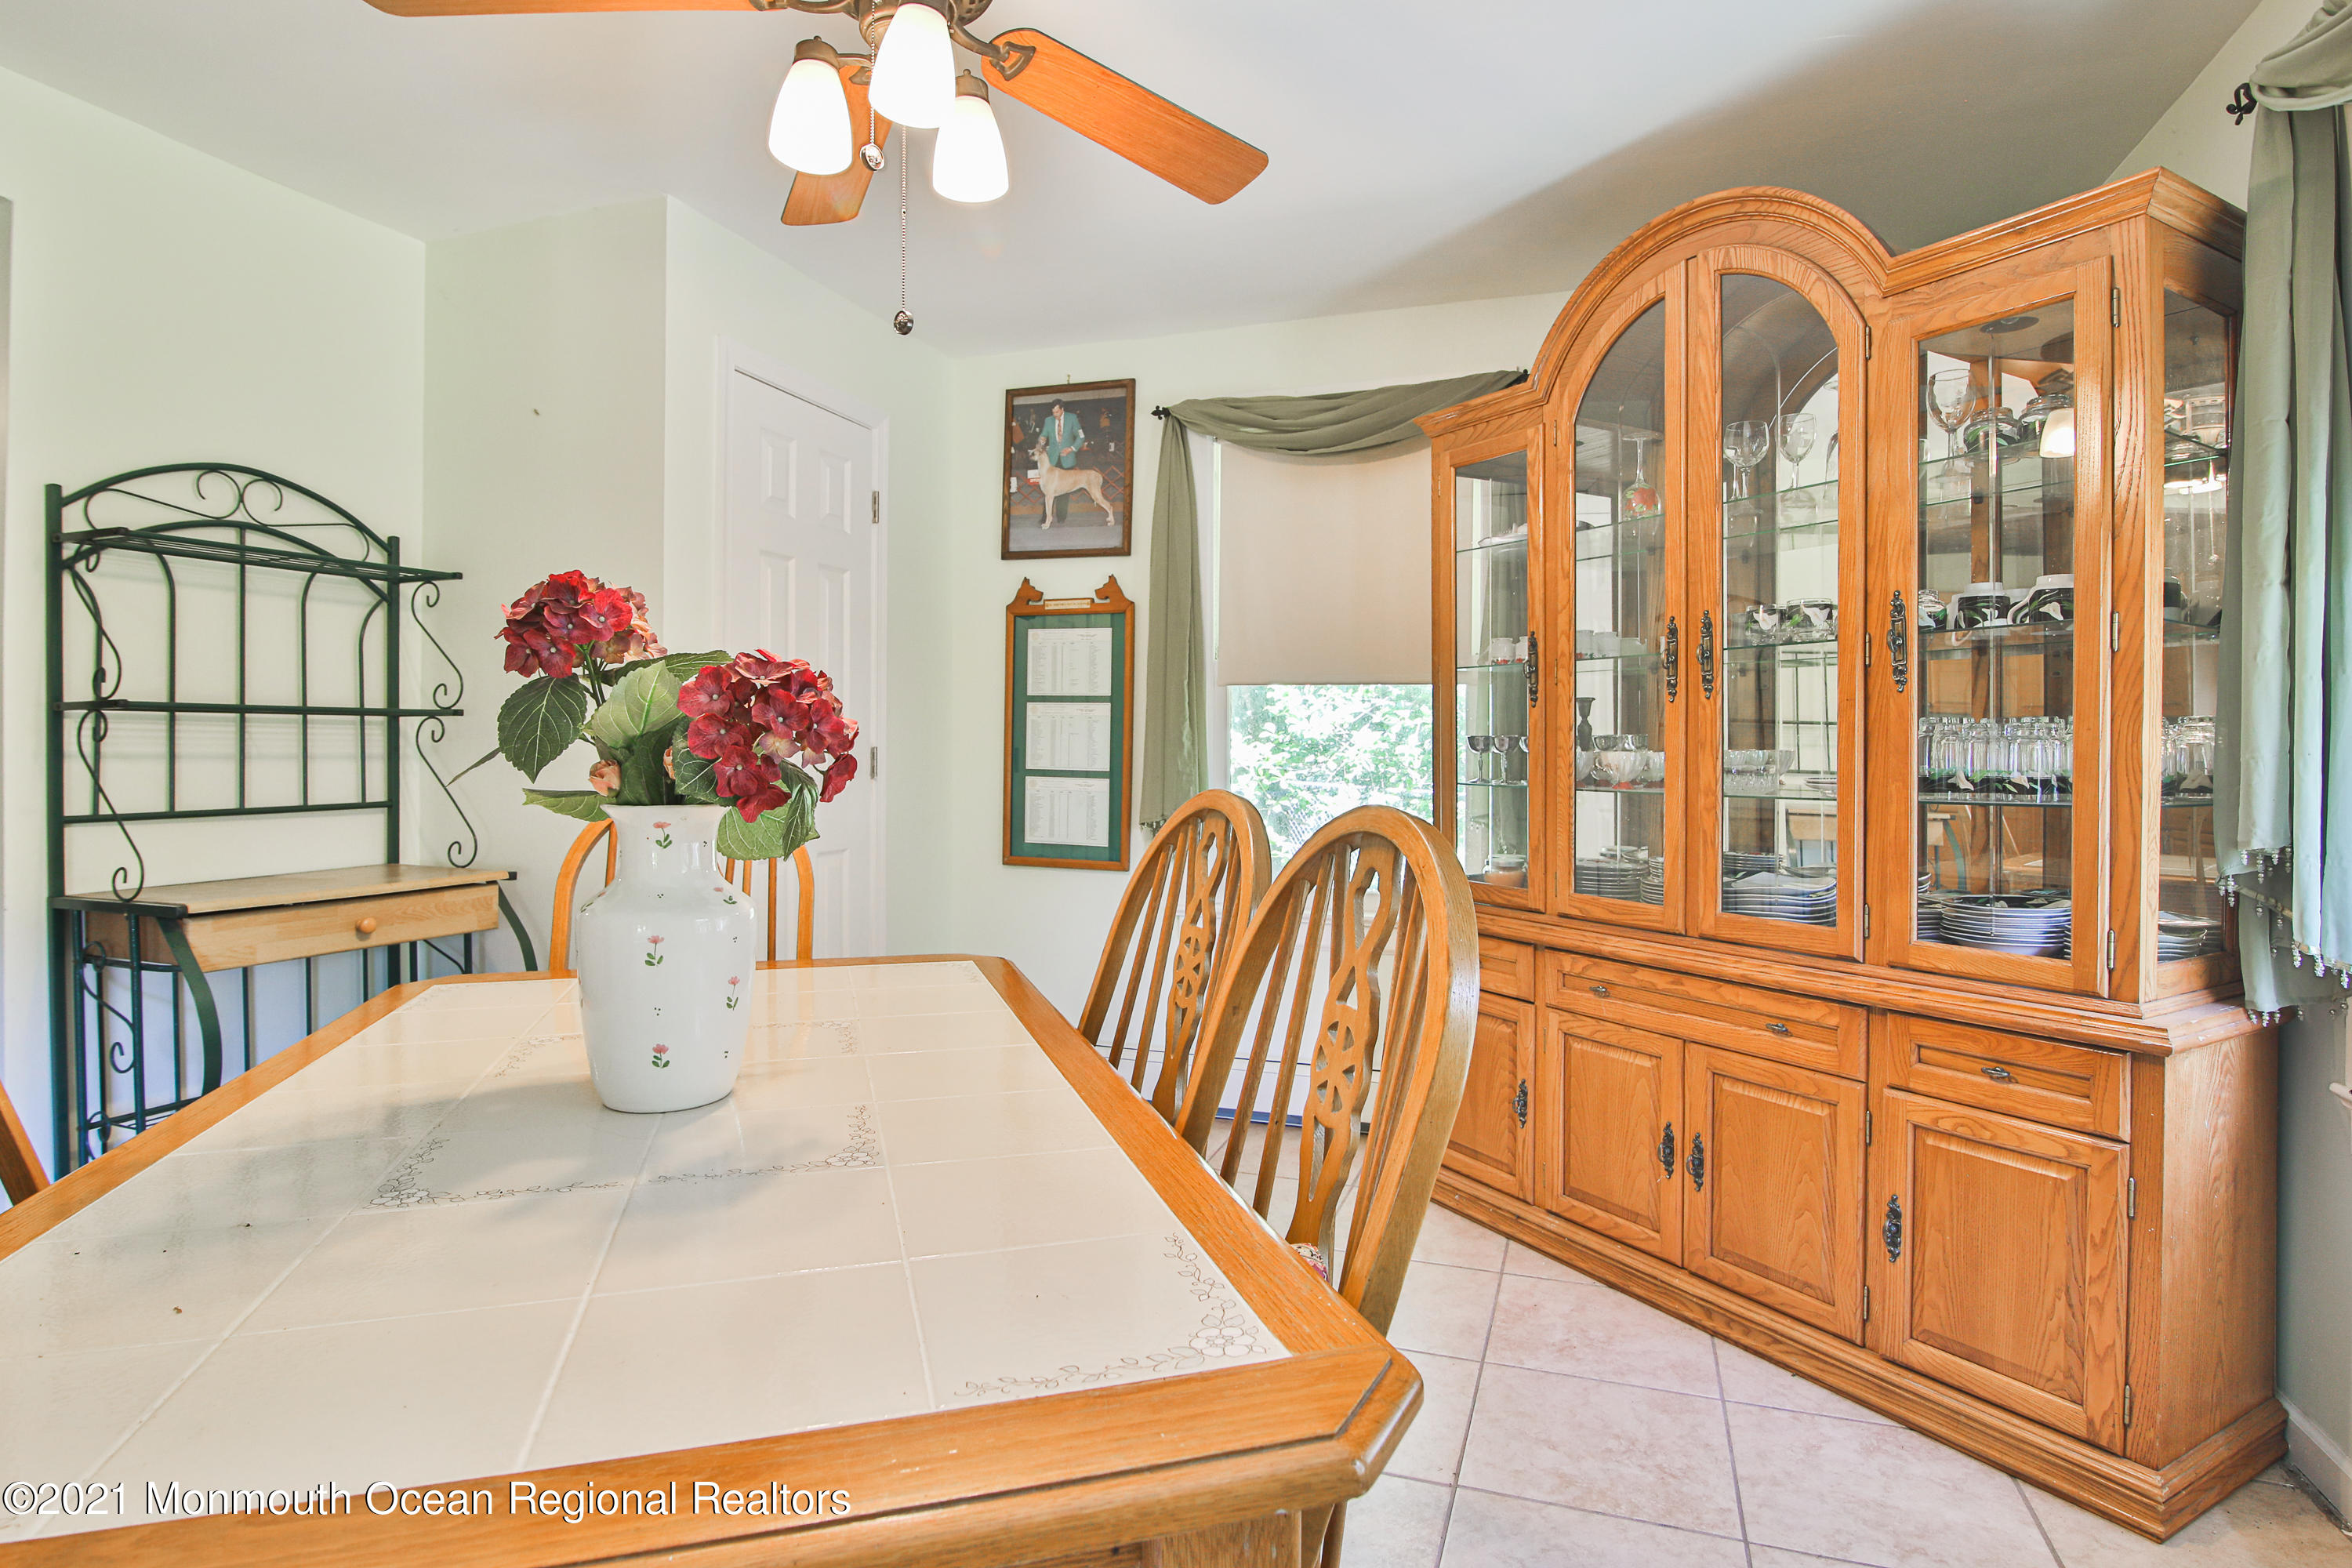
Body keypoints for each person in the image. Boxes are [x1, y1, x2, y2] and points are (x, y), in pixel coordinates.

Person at [1040, 399, 1085, 524]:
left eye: (1057, 412)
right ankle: (1046, 518)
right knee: (1048, 490)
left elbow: (1081, 437)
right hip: (1052, 460)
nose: (1055, 415)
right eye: (1053, 412)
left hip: (1067, 458)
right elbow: (1043, 435)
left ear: (1062, 409)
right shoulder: (1048, 421)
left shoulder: (1072, 418)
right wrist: (1042, 439)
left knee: (1065, 491)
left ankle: (1061, 518)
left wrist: (1071, 449)